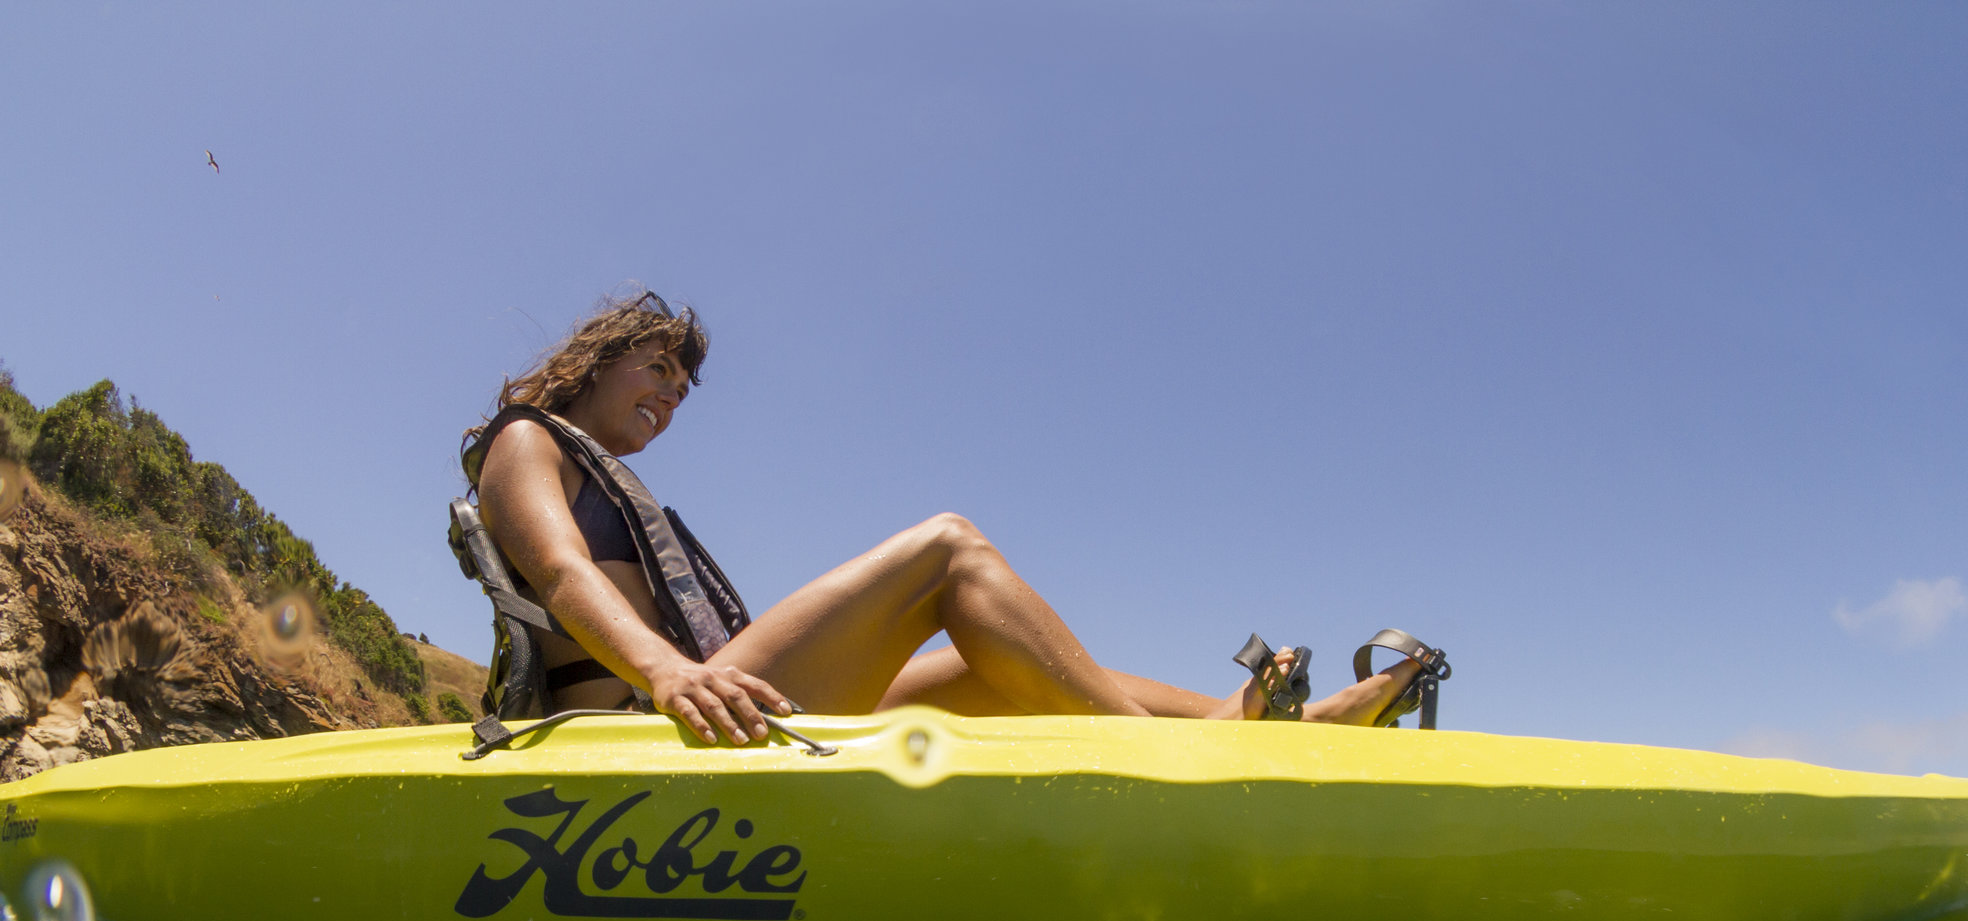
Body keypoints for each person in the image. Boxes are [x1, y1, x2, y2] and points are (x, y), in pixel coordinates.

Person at [463, 292, 1434, 744]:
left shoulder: (601, 471)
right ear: (596, 360)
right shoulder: (527, 439)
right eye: (657, 369)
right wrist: (671, 668)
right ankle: (1179, 764)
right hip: (647, 717)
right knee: (947, 550)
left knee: (988, 663)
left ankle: (1240, 722)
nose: (672, 395)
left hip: (702, 697)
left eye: (682, 384)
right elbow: (562, 574)